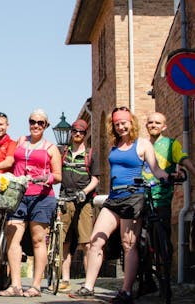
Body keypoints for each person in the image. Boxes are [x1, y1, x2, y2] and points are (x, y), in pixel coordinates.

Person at [70, 107, 170, 304]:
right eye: (117, 124)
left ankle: (125, 291)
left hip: (133, 197)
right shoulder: (114, 146)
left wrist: (168, 177)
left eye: (124, 123)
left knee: (128, 244)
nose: (121, 126)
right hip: (114, 197)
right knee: (96, 240)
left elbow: (156, 169)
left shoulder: (142, 144)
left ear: (131, 123)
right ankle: (88, 287)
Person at [0, 109, 62, 298]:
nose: (35, 125)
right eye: (32, 121)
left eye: (40, 123)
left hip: (42, 197)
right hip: (18, 195)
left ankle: (35, 286)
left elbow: (58, 176)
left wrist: (47, 177)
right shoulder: (21, 141)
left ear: (46, 126)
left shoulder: (51, 148)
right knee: (12, 236)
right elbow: (10, 161)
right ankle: (16, 285)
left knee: (38, 240)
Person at [140, 112, 195, 293]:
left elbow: (184, 160)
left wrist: (191, 172)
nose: (153, 125)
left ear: (164, 126)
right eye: (150, 122)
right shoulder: (141, 145)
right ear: (146, 125)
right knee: (138, 241)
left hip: (162, 197)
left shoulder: (171, 144)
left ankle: (164, 274)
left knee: (163, 238)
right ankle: (145, 278)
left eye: (157, 122)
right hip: (141, 196)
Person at [56, 119, 99, 293]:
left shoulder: (91, 154)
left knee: (86, 242)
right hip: (66, 200)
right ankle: (65, 279)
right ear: (71, 132)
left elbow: (96, 178)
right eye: (75, 131)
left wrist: (84, 192)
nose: (78, 134)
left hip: (84, 202)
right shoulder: (63, 152)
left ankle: (88, 282)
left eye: (81, 132)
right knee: (64, 241)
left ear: (85, 133)